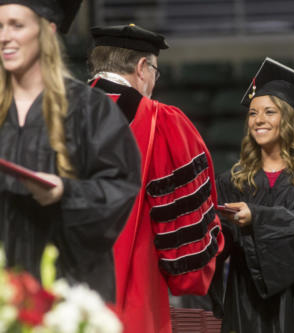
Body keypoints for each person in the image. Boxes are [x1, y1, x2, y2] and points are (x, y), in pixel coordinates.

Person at [0, 0, 141, 302]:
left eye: (16, 25)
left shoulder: (91, 109)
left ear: (47, 31)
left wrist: (65, 191)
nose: (4, 36)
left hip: (69, 291)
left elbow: (121, 187)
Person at [87, 24, 224, 333]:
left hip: (57, 289)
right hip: (134, 293)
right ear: (141, 68)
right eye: (155, 73)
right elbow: (186, 228)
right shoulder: (160, 122)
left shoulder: (52, 112)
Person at [212, 57, 294, 333]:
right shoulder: (232, 180)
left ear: (289, 119)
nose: (258, 120)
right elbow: (218, 242)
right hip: (248, 298)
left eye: (269, 112)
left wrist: (257, 217)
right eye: (252, 113)